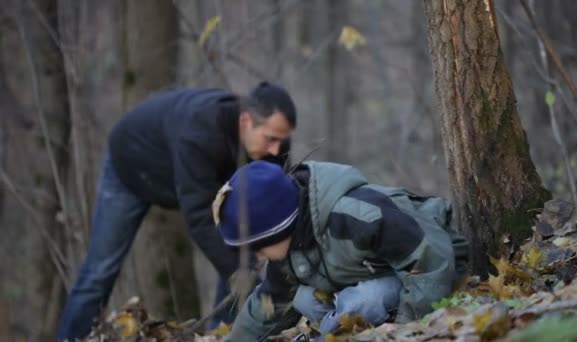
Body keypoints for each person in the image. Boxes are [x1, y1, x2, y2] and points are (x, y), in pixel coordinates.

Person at [55, 82, 297, 341]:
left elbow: (279, 202)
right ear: (246, 121)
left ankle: (223, 335)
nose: (276, 150)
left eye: (281, 140)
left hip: (186, 175)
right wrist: (243, 275)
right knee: (99, 271)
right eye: (271, 139)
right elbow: (200, 218)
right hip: (131, 167)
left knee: (241, 248)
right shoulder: (200, 134)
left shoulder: (273, 141)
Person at [214, 160, 469, 341]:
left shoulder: (356, 216)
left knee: (364, 301)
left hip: (433, 266)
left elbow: (427, 260)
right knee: (302, 298)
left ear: (281, 229)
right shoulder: (291, 250)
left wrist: (406, 328)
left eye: (258, 247)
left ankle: (340, 331)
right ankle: (343, 328)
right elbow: (267, 306)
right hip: (366, 278)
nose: (258, 256)